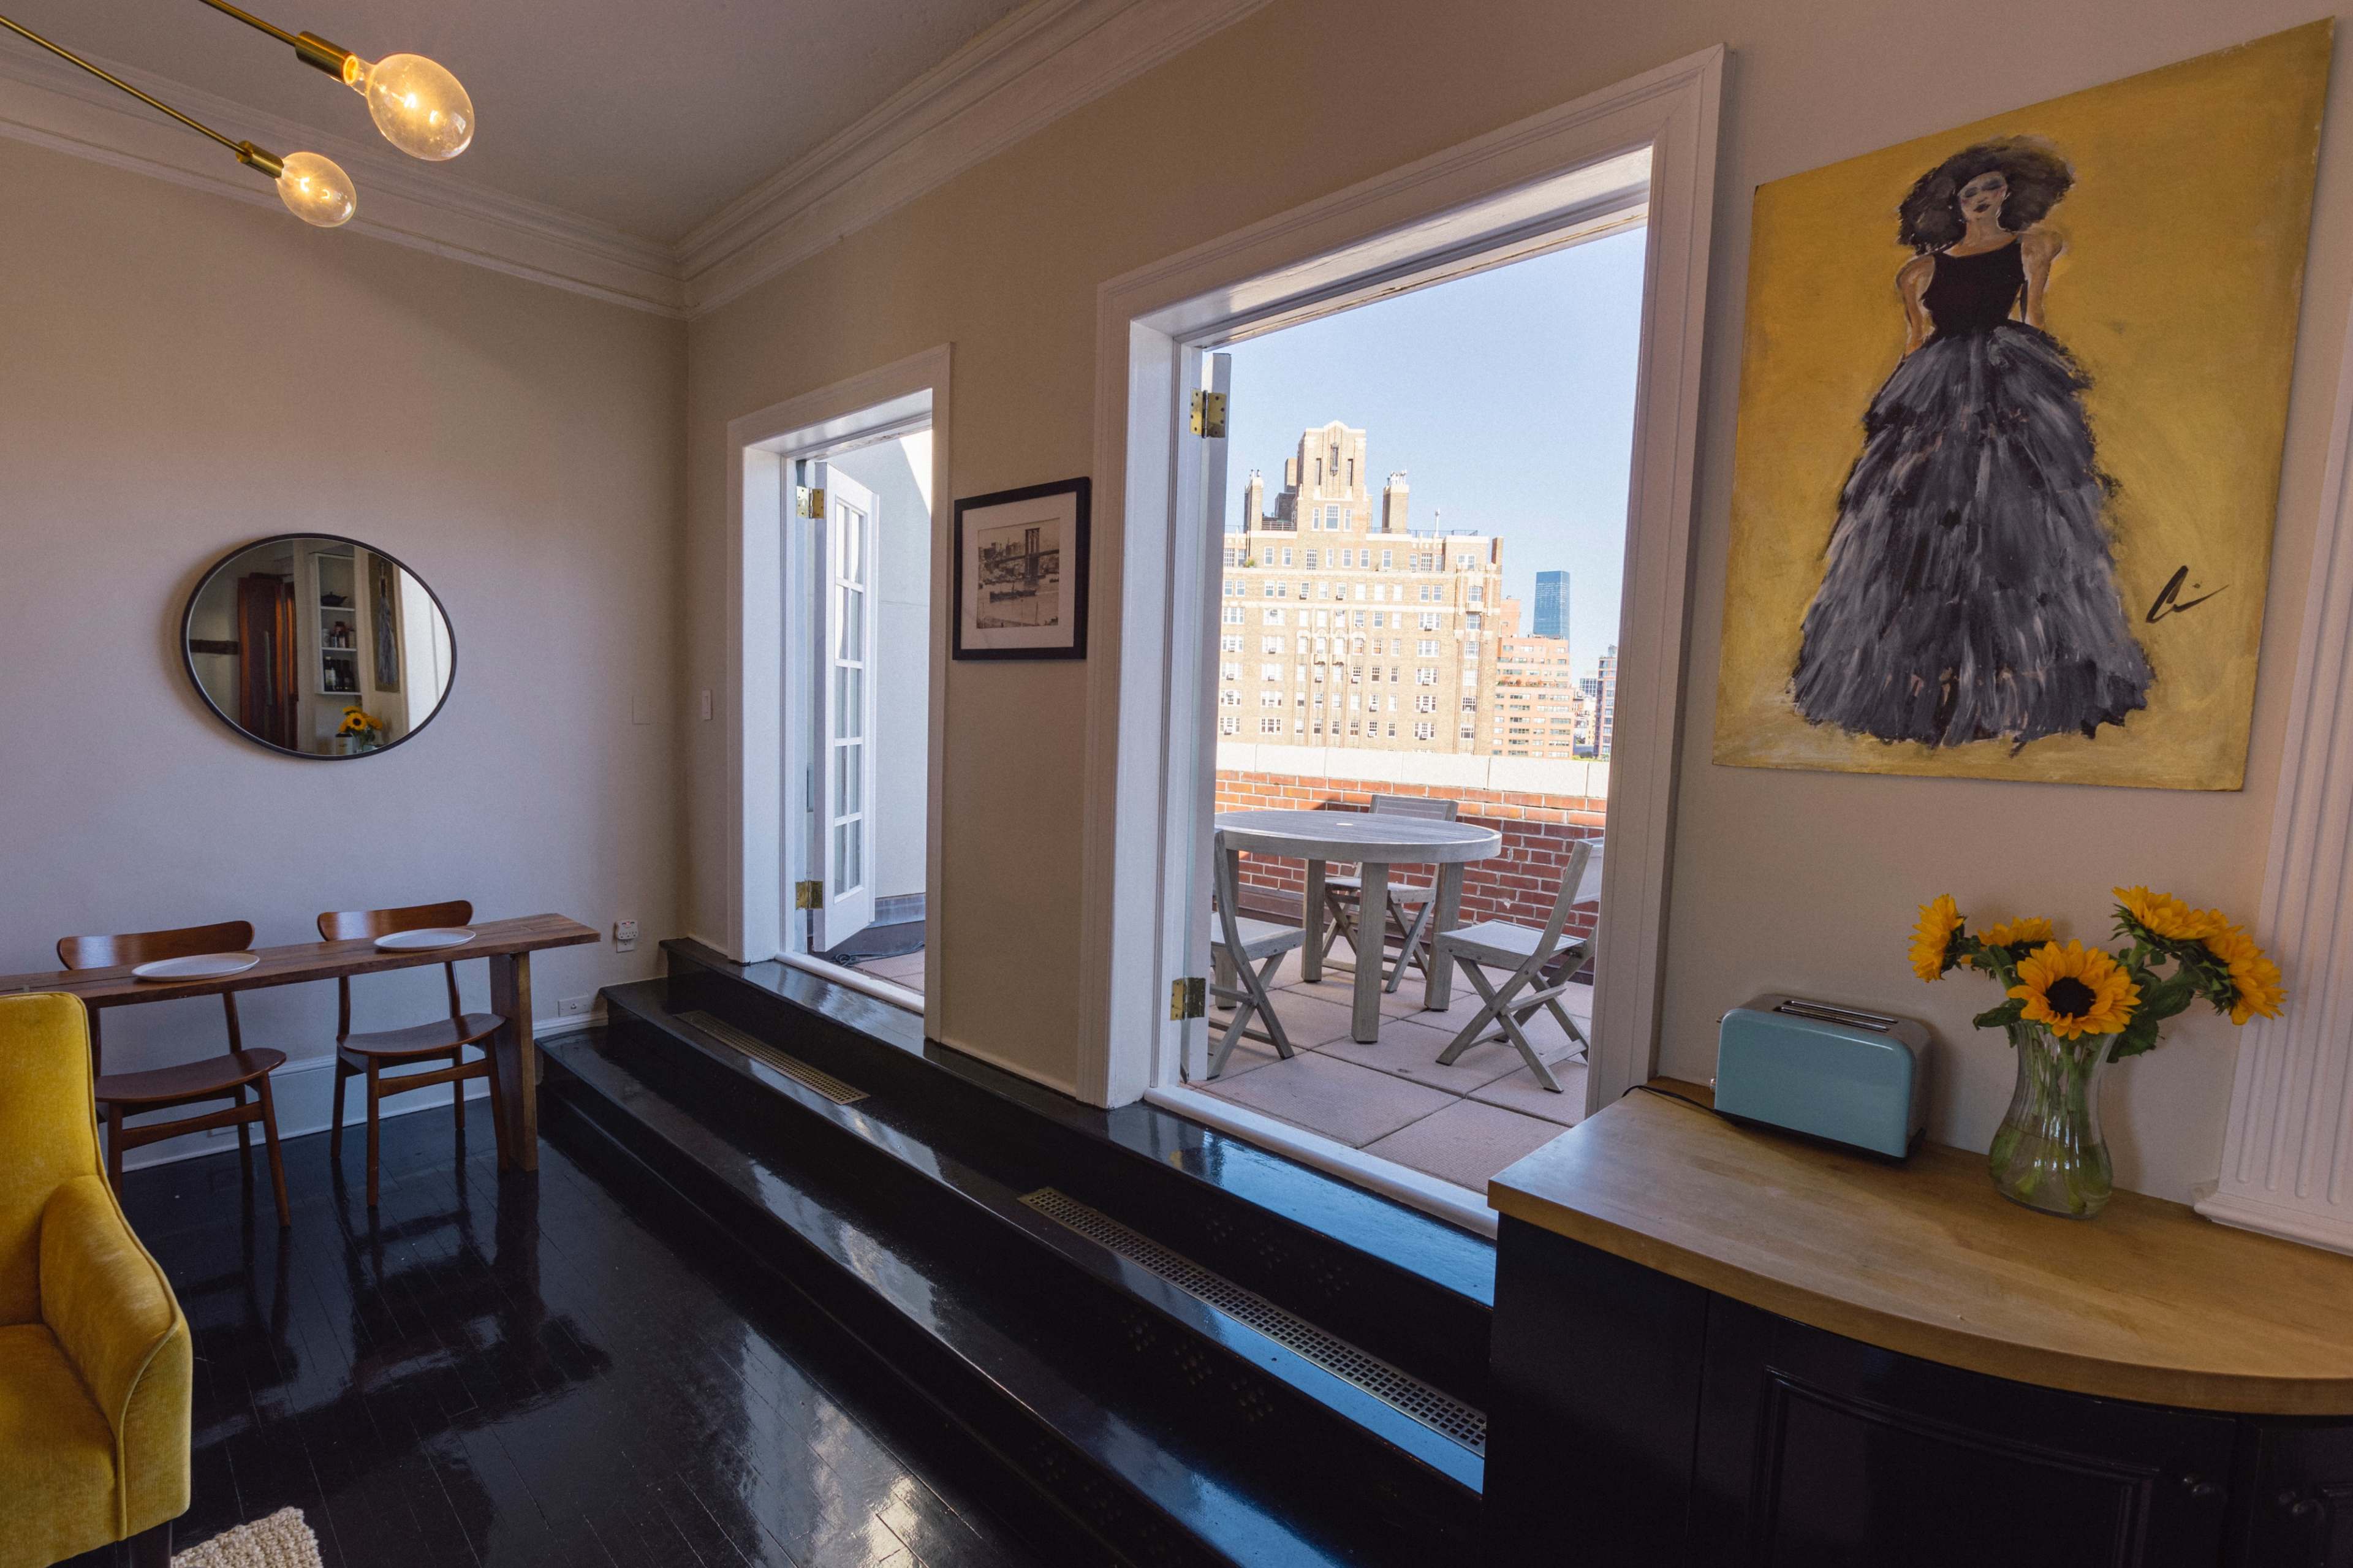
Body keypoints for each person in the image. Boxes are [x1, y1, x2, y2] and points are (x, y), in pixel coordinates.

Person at [1790, 137, 2151, 749]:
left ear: (2009, 191)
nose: (1982, 199)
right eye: (1970, 192)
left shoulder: (2032, 247)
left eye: (1991, 188)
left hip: (2007, 380)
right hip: (1935, 392)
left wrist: (2038, 394)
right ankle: (1924, 691)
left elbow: (2034, 320)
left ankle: (2014, 690)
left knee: (2014, 528)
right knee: (1919, 536)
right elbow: (1915, 343)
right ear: (1951, 203)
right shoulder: (1920, 271)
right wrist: (1900, 417)